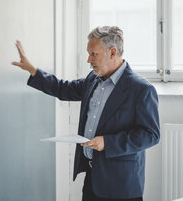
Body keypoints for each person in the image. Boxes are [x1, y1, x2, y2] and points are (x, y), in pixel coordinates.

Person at [12, 26, 160, 201]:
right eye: (88, 53)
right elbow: (62, 88)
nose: (88, 60)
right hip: (92, 179)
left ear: (112, 52)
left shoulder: (141, 89)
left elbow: (150, 135)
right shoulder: (93, 79)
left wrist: (108, 142)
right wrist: (33, 70)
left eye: (93, 54)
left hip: (121, 185)